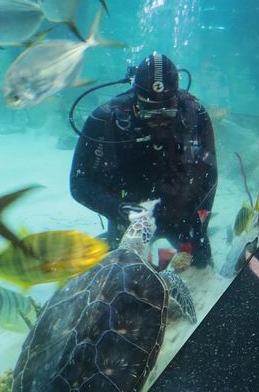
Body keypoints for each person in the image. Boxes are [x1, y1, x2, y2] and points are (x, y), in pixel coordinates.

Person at [70, 52, 218, 269]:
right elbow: (79, 183)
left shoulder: (194, 114)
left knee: (201, 265)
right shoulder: (106, 120)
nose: (158, 122)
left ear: (176, 98)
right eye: (149, 114)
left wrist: (200, 226)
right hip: (129, 218)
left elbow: (209, 176)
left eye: (166, 113)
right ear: (135, 101)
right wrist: (120, 209)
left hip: (180, 211)